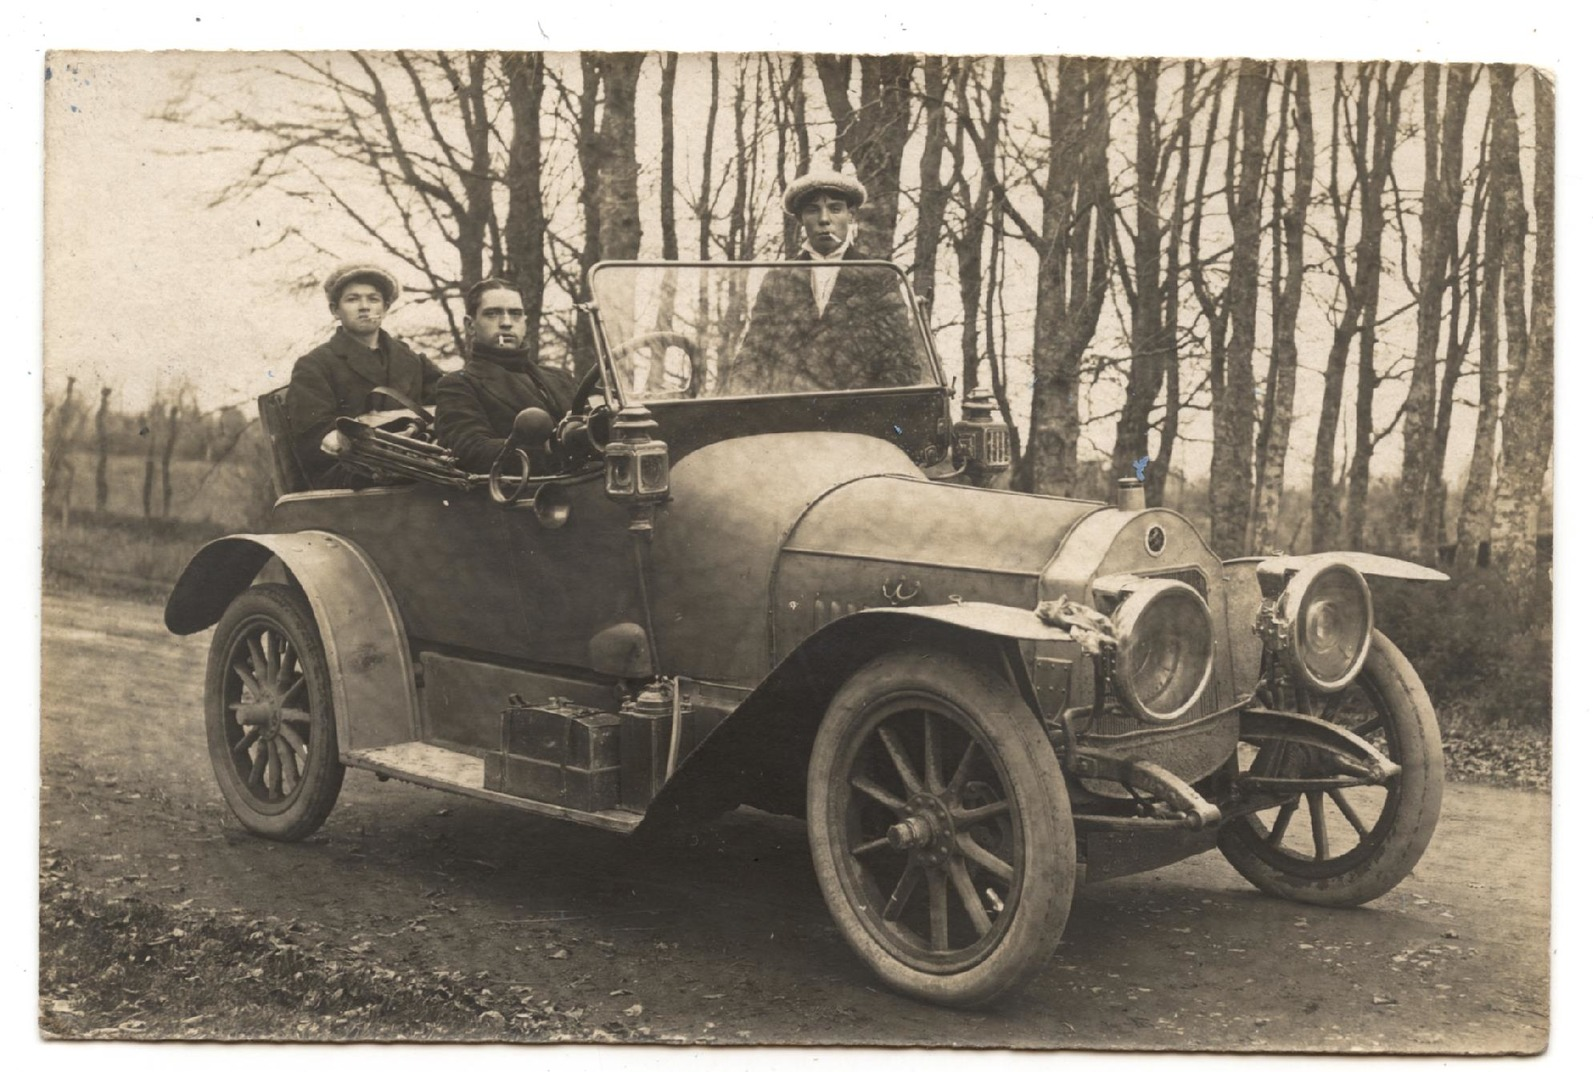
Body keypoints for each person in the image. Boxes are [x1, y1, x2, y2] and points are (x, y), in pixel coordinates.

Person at [727, 169, 923, 395]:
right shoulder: (779, 279)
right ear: (800, 219)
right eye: (812, 210)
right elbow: (753, 356)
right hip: (786, 416)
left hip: (857, 419)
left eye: (835, 209)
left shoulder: (878, 276)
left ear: (851, 216)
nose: (824, 219)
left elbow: (902, 364)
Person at [285, 262, 442, 488]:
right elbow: (315, 439)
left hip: (418, 468)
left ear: (386, 308)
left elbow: (449, 401)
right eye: (352, 299)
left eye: (373, 299)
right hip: (353, 479)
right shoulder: (315, 365)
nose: (364, 307)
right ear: (335, 310)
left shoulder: (412, 360)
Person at [434, 279, 580, 474]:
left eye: (515, 314)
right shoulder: (458, 384)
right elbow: (469, 451)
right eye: (492, 314)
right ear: (470, 325)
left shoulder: (561, 379)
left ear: (525, 323)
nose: (506, 323)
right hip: (516, 497)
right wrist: (549, 449)